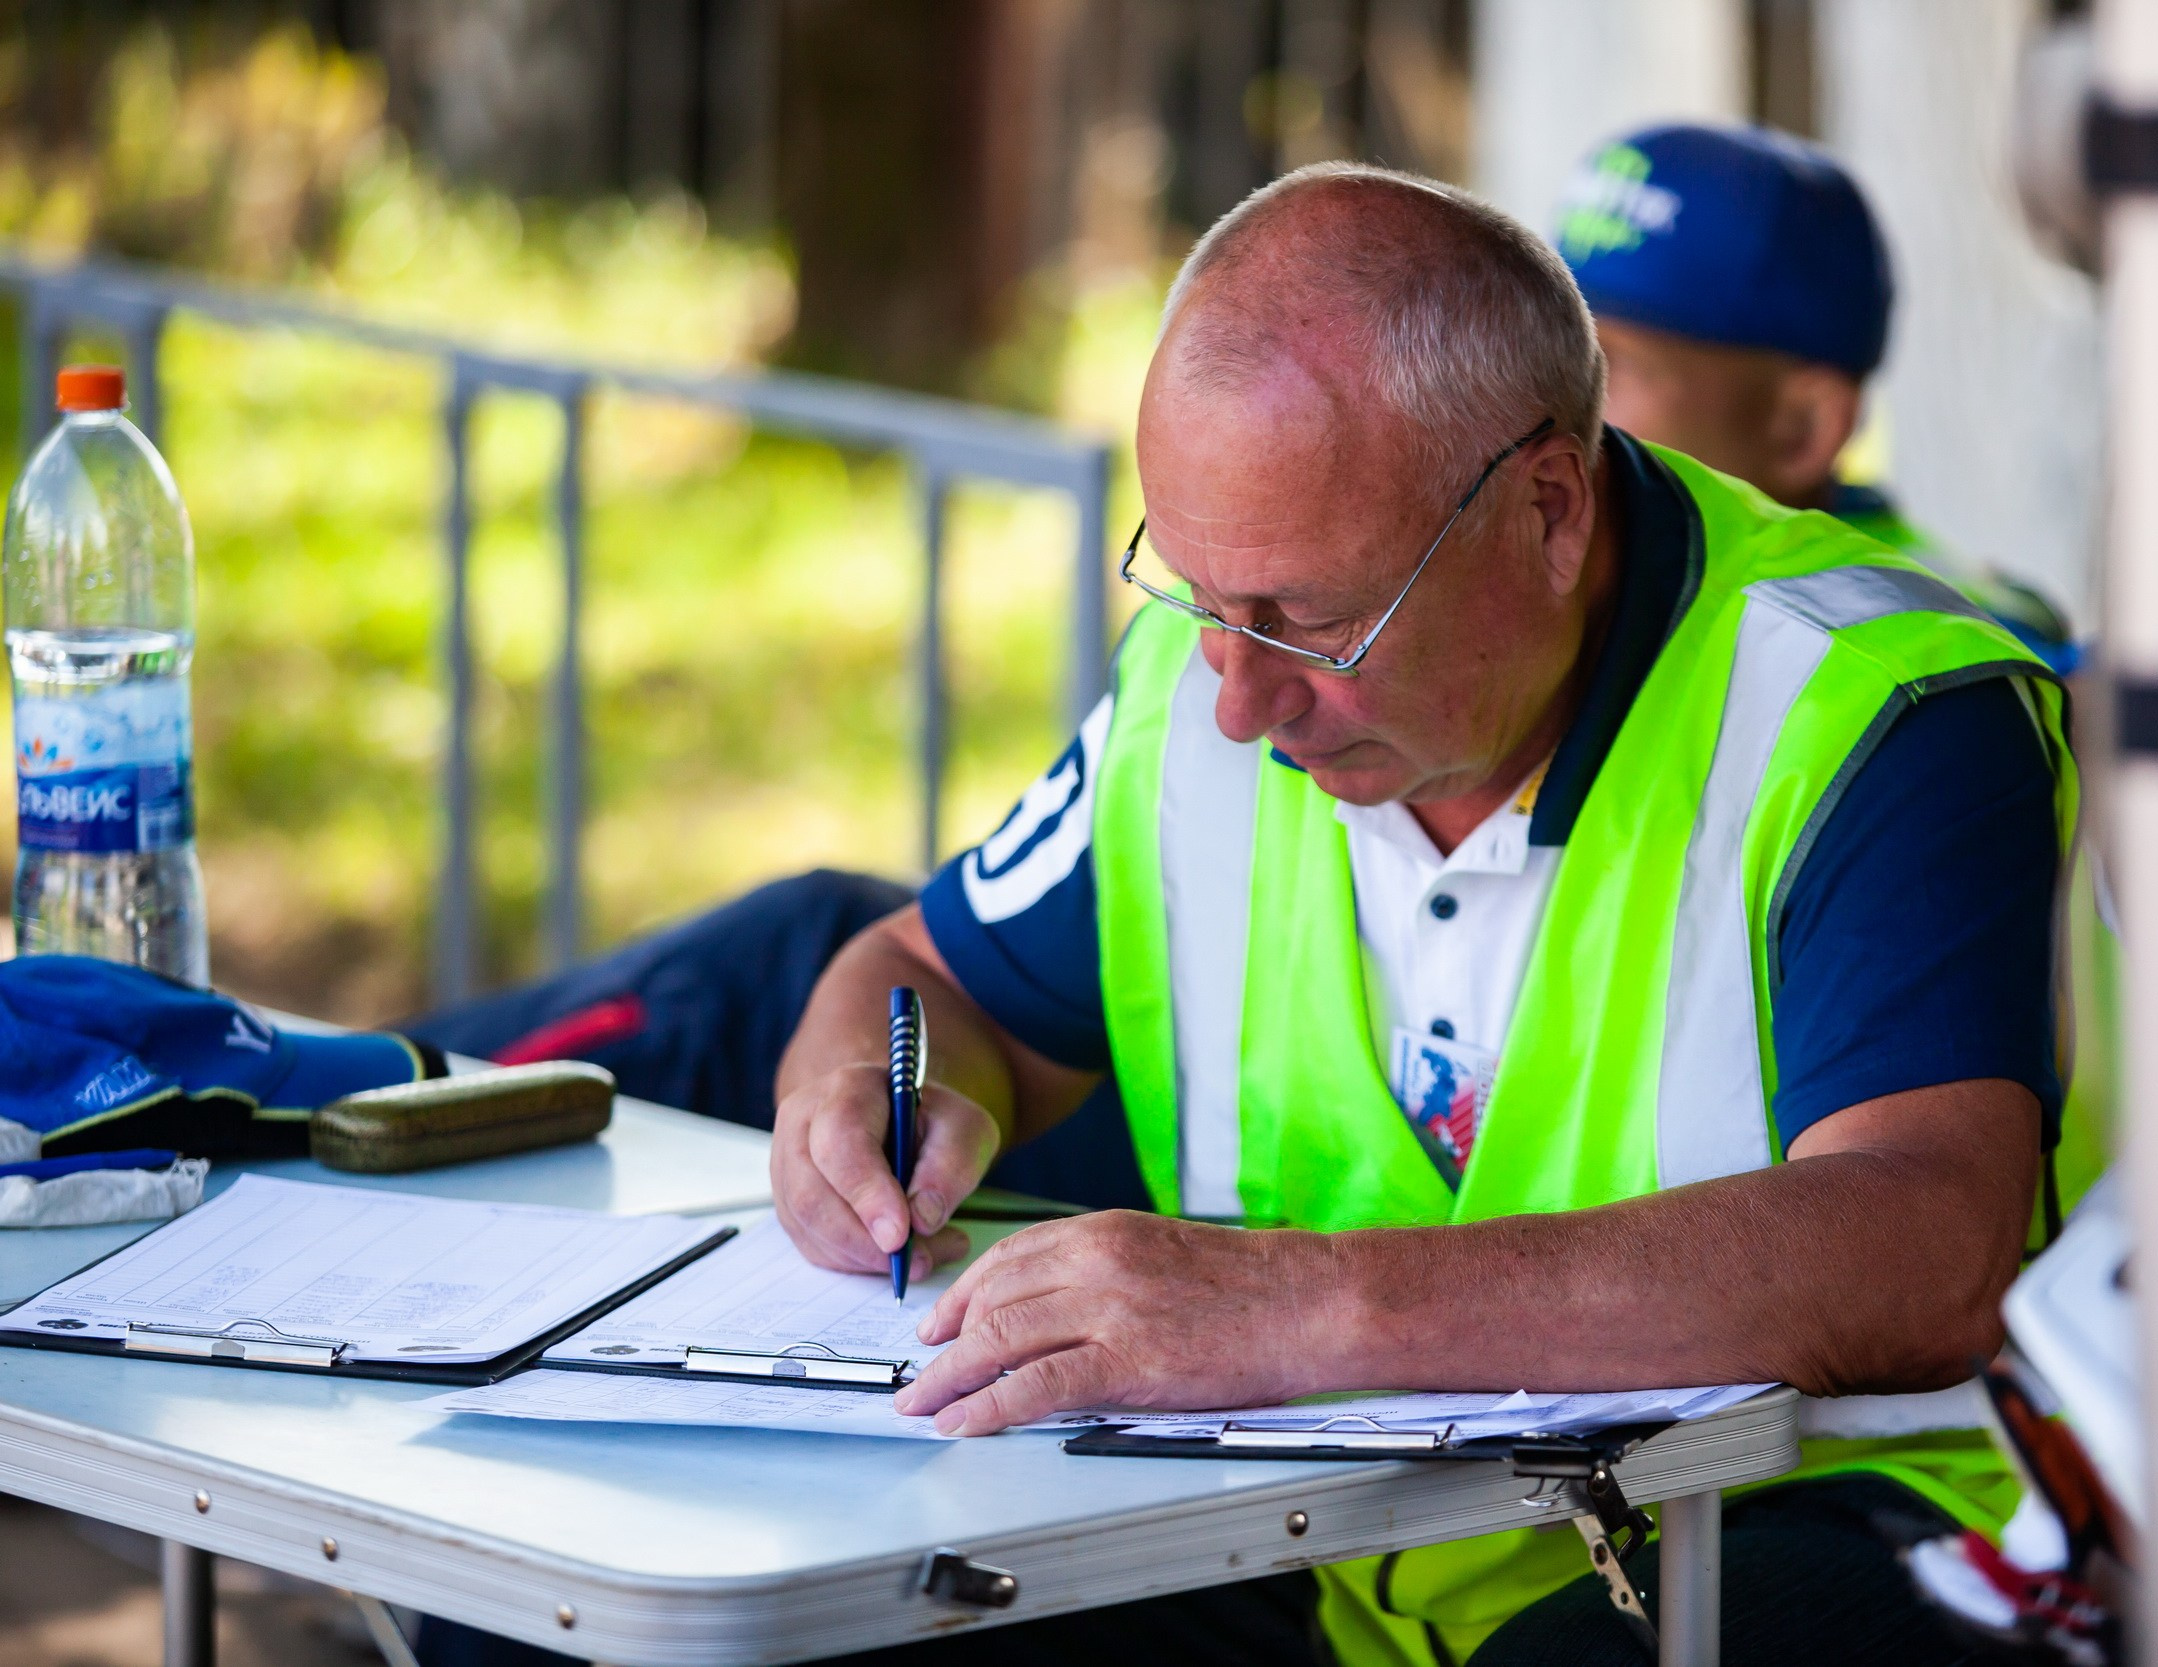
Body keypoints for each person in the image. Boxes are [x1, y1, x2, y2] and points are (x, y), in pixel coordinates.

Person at [762, 162, 2078, 1667]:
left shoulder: (1878, 709)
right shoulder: (1194, 696)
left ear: (1551, 510)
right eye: (1193, 591)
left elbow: (1920, 1246)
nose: (1239, 700)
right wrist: (859, 1085)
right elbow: (934, 975)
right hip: (1354, 1553)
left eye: (1313, 620)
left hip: (1864, 1544)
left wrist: (1303, 1308)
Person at [1557, 123, 2077, 674]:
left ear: (1804, 425)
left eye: (1605, 367)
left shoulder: (1957, 671)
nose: (1546, 398)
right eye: (1543, 351)